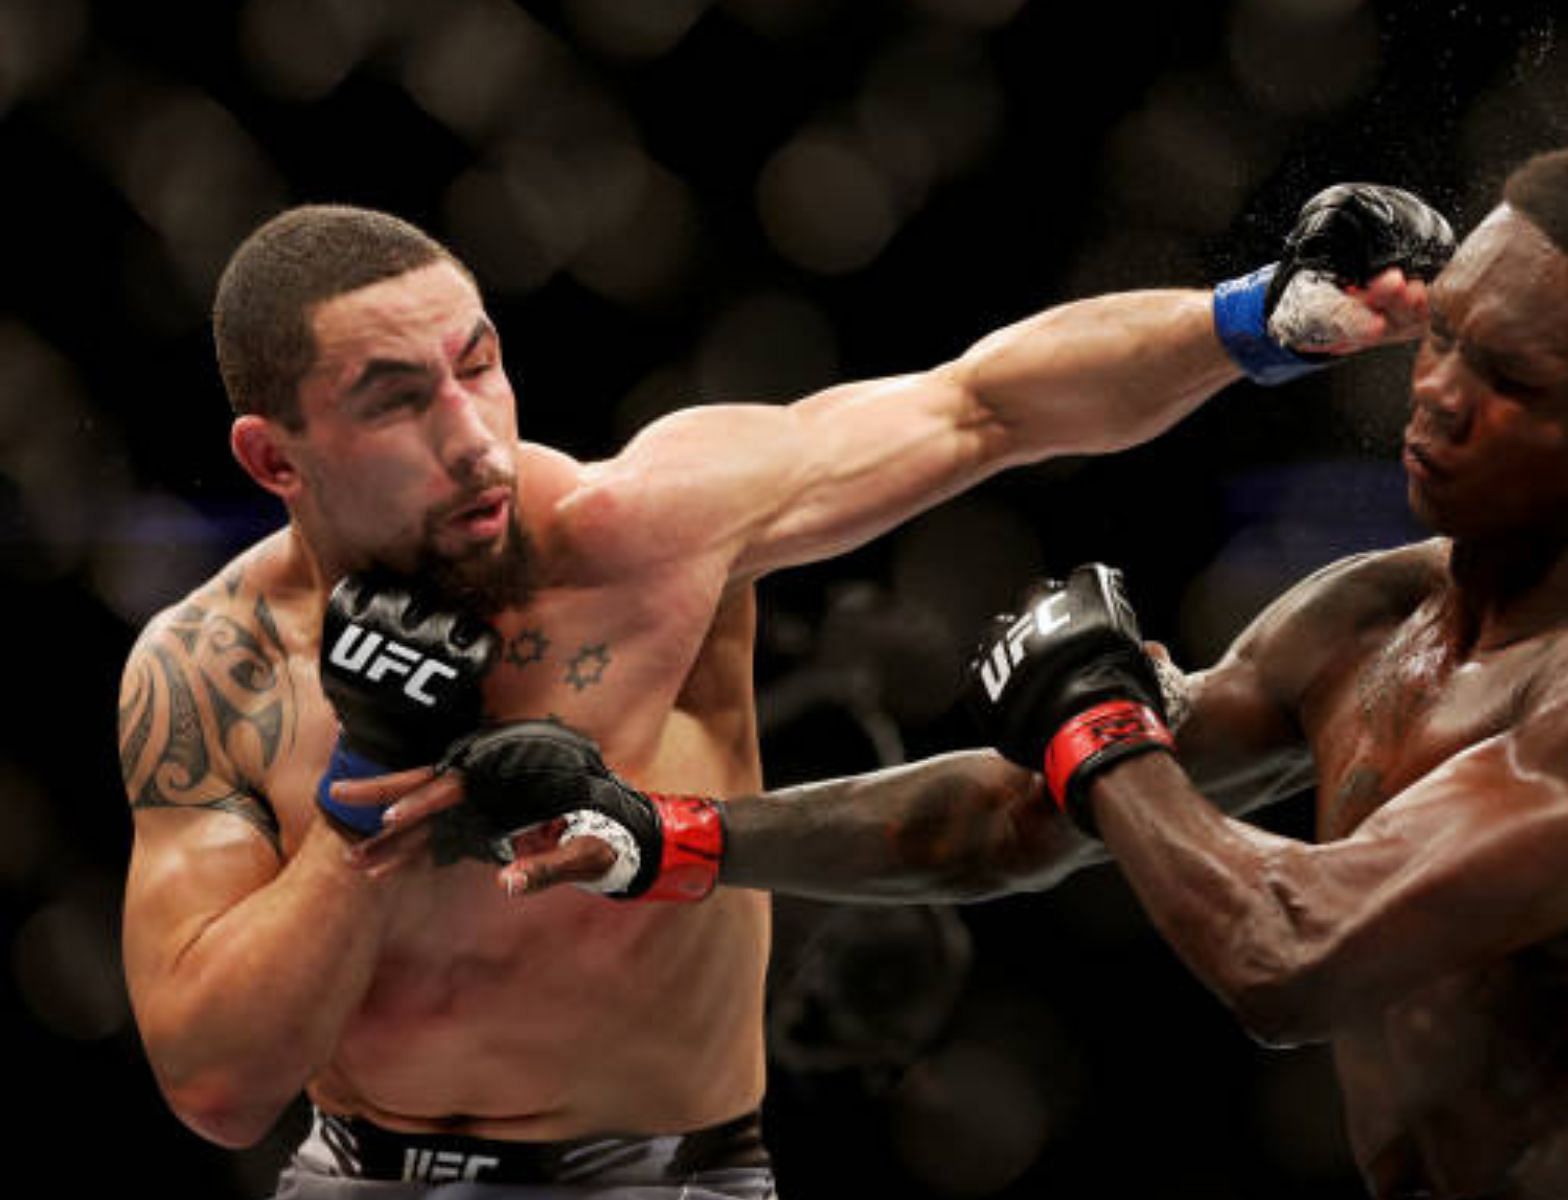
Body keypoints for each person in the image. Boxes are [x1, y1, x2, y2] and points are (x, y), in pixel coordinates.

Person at [373, 143, 1568, 1200]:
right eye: (1450, 339)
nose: (1436, 394)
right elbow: (1017, 819)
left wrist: (1099, 722)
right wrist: (670, 836)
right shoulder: (1376, 616)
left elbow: (1290, 954)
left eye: (1517, 383)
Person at [116, 183, 1450, 1196]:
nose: (472, 438)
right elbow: (220, 1088)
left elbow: (982, 406)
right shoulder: (208, 671)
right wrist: (364, 796)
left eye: (479, 365)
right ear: (273, 456)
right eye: (398, 401)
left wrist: (1259, 317)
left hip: (674, 1173)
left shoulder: (643, 533)